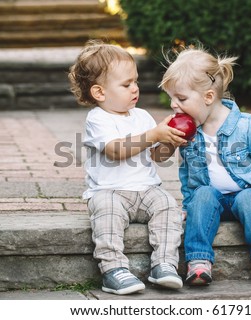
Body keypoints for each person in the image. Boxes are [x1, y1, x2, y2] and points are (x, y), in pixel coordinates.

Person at [159, 46, 251, 288]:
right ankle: (199, 261)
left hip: (246, 195)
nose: (173, 105)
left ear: (208, 97)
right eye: (172, 98)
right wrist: (189, 205)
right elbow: (188, 173)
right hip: (212, 200)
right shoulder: (190, 132)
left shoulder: (245, 125)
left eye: (181, 99)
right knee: (202, 195)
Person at [68, 40, 188, 295]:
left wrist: (171, 140)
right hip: (109, 191)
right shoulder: (98, 119)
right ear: (99, 93)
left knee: (168, 206)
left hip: (146, 189)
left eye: (135, 81)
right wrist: (154, 134)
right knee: (106, 212)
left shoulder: (141, 115)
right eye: (126, 84)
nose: (135, 88)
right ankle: (113, 270)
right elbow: (116, 149)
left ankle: (164, 264)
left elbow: (157, 155)